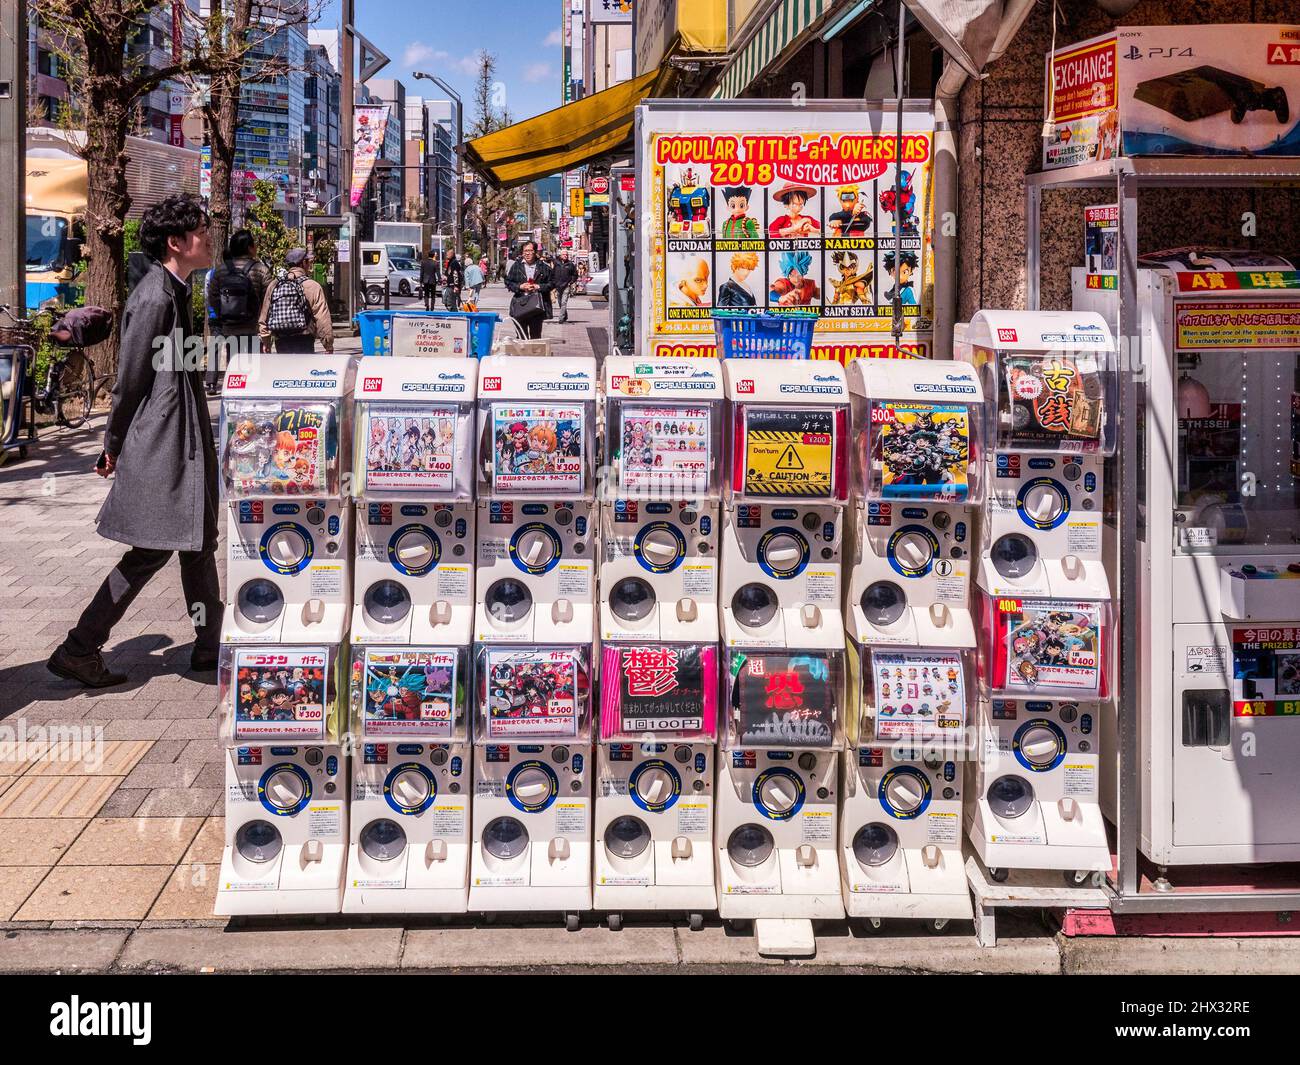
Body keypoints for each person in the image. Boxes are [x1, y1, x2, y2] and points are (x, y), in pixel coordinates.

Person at [46, 196, 221, 688]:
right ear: (176, 243)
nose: (208, 236)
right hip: (162, 442)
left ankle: (209, 645)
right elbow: (130, 379)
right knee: (151, 550)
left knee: (198, 544)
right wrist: (113, 443)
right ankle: (79, 647)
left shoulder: (177, 289)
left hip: (180, 436)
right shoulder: (154, 297)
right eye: (200, 230)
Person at [207, 229, 272, 394]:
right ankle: (252, 395)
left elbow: (212, 296)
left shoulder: (221, 270)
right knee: (254, 366)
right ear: (250, 247)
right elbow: (269, 297)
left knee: (234, 363)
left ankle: (235, 394)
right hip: (253, 327)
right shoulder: (260, 269)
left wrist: (223, 315)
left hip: (230, 327)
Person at [259, 247, 333, 354]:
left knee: (285, 370)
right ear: (303, 263)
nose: (310, 265)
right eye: (308, 262)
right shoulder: (312, 286)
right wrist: (328, 344)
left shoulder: (275, 285)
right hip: (304, 339)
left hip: (281, 339)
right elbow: (322, 317)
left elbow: (264, 316)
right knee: (304, 369)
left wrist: (266, 341)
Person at [505, 240, 552, 339]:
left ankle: (533, 354)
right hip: (520, 304)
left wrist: (538, 286)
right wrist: (520, 287)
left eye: (530, 250)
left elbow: (552, 283)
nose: (527, 253)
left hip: (536, 307)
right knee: (521, 336)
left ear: (535, 252)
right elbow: (508, 282)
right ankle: (522, 354)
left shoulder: (543, 267)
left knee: (535, 336)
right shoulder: (516, 266)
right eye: (525, 251)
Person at [551, 249, 578, 323]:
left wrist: (571, 282)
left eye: (566, 255)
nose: (565, 256)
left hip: (566, 286)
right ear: (560, 255)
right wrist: (554, 283)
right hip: (558, 286)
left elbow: (575, 275)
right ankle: (565, 315)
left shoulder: (570, 264)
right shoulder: (556, 263)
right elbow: (553, 274)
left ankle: (561, 318)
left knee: (564, 302)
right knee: (560, 302)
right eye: (564, 254)